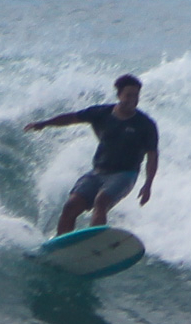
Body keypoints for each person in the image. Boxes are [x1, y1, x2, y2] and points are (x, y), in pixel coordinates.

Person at [24, 73, 159, 236]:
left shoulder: (145, 125)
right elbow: (71, 118)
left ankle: (95, 242)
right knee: (70, 206)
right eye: (128, 95)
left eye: (136, 95)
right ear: (119, 95)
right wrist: (44, 123)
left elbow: (152, 156)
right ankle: (61, 248)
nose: (133, 99)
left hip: (125, 174)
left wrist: (148, 185)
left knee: (100, 202)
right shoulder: (102, 113)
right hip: (98, 172)